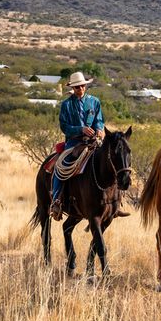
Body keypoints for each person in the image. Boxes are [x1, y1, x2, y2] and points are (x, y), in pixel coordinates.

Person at [50, 71, 105, 220]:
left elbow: (99, 119)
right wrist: (80, 129)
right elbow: (64, 126)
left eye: (82, 86)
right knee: (62, 165)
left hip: (93, 140)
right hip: (74, 142)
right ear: (73, 89)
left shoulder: (94, 101)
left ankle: (114, 201)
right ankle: (56, 200)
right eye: (77, 87)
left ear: (85, 86)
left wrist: (100, 129)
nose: (80, 89)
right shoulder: (66, 105)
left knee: (109, 159)